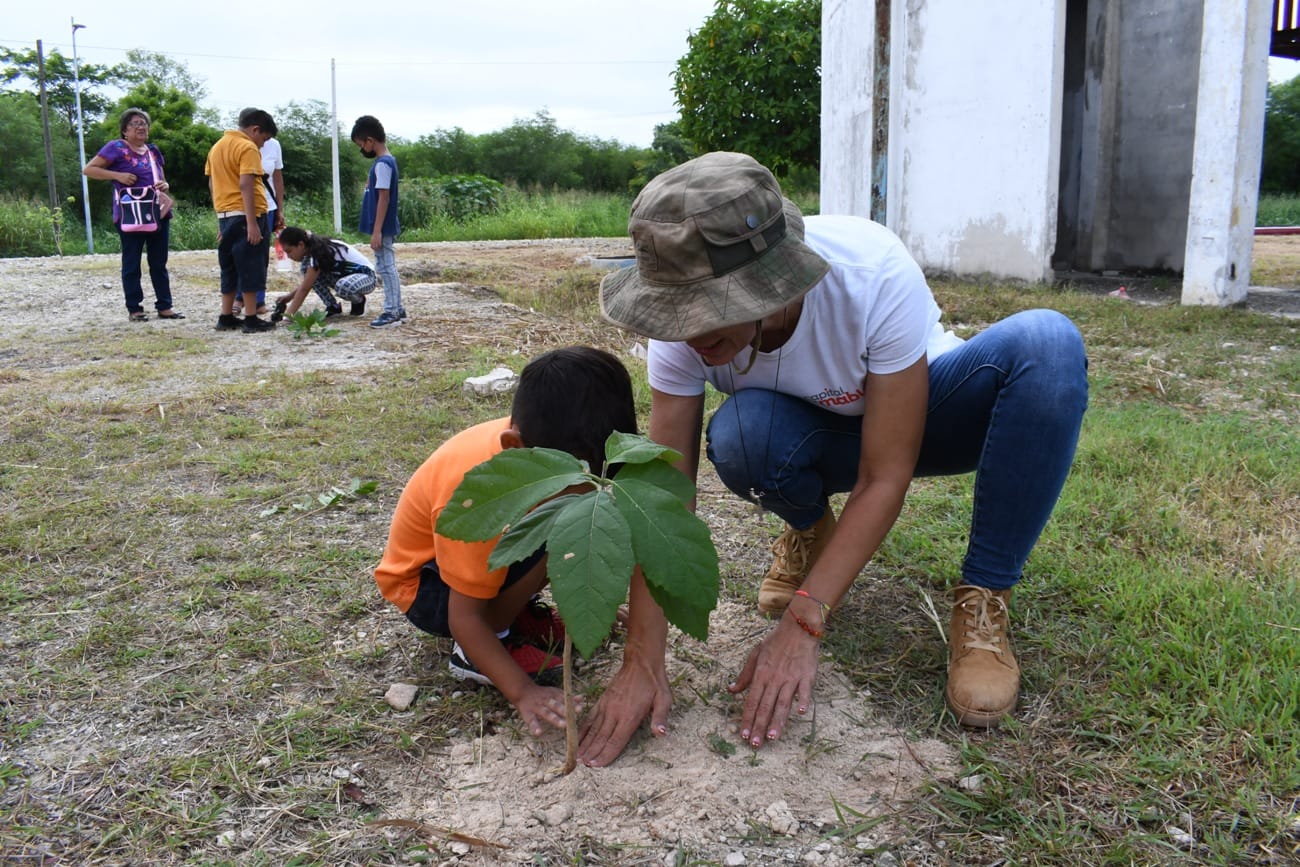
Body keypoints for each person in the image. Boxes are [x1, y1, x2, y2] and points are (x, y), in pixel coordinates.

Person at [583, 151, 1089, 766]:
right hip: (809, 438)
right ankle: (810, 531)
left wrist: (802, 624)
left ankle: (984, 597)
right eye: (675, 312)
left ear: (773, 280)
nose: (690, 335)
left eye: (711, 309)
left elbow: (885, 474)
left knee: (1048, 343)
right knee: (744, 435)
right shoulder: (680, 340)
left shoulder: (867, 274)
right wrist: (642, 662)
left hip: (922, 418)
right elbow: (664, 493)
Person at [373, 347, 639, 737]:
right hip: (428, 588)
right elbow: (462, 617)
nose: (591, 489)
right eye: (577, 478)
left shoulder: (543, 439)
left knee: (572, 519)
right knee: (560, 530)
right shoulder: (474, 495)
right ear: (515, 447)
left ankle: (511, 614)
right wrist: (523, 692)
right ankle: (481, 650)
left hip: (472, 564)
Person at [82, 107, 184, 322]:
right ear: (124, 130)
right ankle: (135, 308)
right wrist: (117, 175)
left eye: (144, 123)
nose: (141, 127)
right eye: (136, 124)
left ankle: (165, 306)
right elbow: (89, 169)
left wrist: (164, 184)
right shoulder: (116, 148)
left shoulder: (153, 151)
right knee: (131, 262)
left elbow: (162, 178)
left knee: (159, 262)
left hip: (157, 212)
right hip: (130, 215)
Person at [205, 107, 278, 333]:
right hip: (247, 215)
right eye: (264, 139)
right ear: (255, 130)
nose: (263, 145)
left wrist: (220, 218)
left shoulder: (217, 147)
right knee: (251, 265)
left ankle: (226, 316)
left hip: (226, 215)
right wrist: (253, 223)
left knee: (230, 267)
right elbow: (246, 184)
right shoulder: (246, 147)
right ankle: (251, 318)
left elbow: (212, 184)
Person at [350, 115, 406, 328]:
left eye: (361, 144)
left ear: (370, 140)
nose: (362, 148)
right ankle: (396, 308)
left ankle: (392, 310)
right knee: (385, 265)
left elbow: (384, 197)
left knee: (386, 267)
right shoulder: (382, 163)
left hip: (382, 226)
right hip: (381, 226)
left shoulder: (384, 164)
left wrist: (377, 231)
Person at [271, 226, 375, 319]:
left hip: (367, 276)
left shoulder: (318, 252)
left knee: (344, 286)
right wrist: (289, 297)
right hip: (345, 276)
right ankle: (332, 306)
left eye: (289, 251)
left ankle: (358, 301)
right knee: (307, 270)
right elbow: (308, 282)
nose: (289, 256)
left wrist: (288, 316)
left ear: (301, 245)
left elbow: (304, 289)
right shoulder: (313, 253)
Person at [235, 133, 286, 316]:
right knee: (241, 253)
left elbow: (278, 179)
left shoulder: (274, 145)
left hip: (268, 208)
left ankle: (259, 300)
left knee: (261, 256)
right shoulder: (238, 144)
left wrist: (280, 209)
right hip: (240, 207)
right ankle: (239, 298)